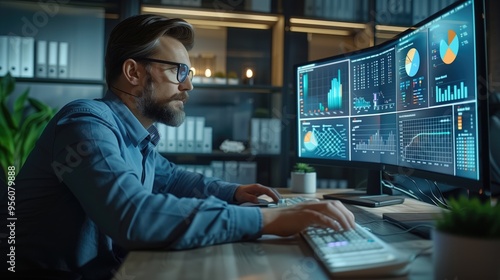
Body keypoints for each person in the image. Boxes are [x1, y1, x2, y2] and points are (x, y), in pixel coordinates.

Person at [6, 14, 355, 280]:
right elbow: (135, 217)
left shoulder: (133, 136)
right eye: (180, 71)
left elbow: (172, 179)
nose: (189, 86)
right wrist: (269, 219)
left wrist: (234, 193)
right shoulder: (86, 123)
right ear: (133, 72)